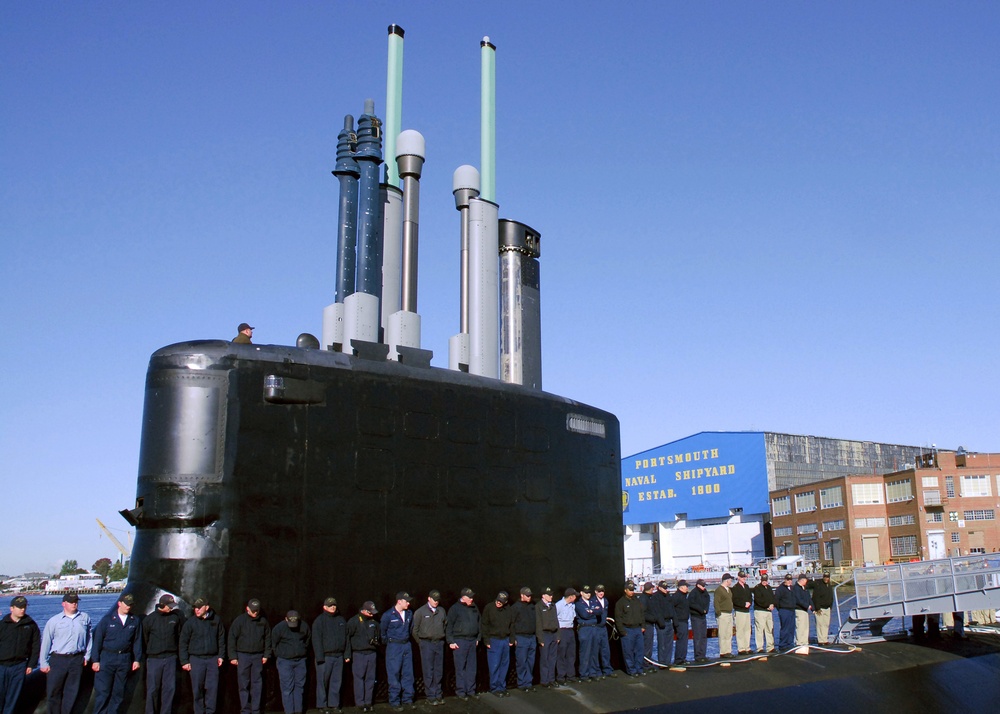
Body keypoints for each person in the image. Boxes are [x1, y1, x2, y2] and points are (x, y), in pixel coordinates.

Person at [38, 593, 92, 714]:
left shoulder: (84, 618)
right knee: (54, 691)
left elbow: (89, 638)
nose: (74, 604)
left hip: (77, 659)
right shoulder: (54, 621)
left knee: (71, 692)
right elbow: (46, 642)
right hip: (58, 659)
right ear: (64, 604)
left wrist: (86, 656)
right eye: (71, 601)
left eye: (76, 601)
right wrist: (43, 662)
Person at [91, 593, 144, 714]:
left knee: (118, 692)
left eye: (130, 605)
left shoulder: (134, 620)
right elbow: (98, 641)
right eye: (126, 604)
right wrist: (96, 660)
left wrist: (136, 659)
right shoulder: (107, 619)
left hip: (124, 658)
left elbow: (137, 641)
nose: (128, 607)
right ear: (119, 603)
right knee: (103, 692)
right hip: (107, 657)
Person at [180, 596, 226, 714]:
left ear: (207, 607)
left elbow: (221, 639)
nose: (197, 610)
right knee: (197, 689)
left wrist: (221, 655)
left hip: (212, 659)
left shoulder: (216, 620)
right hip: (196, 660)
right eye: (195, 608)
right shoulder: (190, 623)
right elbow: (183, 642)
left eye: (200, 608)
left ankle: (210, 712)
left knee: (212, 689)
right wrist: (185, 661)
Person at [228, 598, 272, 714]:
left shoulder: (263, 621)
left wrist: (266, 654)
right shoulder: (240, 621)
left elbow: (268, 638)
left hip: (258, 656)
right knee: (243, 684)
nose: (255, 612)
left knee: (257, 684)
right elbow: (232, 638)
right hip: (243, 656)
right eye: (253, 610)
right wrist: (232, 656)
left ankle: (256, 710)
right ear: (247, 609)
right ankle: (245, 710)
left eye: (257, 610)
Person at [143, 594, 185, 714]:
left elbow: (178, 635)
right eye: (169, 606)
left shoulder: (174, 618)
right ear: (162, 605)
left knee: (169, 689)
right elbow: (145, 639)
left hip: (170, 657)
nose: (171, 608)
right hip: (154, 658)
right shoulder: (150, 620)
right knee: (152, 689)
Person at [0, 595, 40, 714]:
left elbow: (36, 645)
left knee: (13, 697)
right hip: (1, 665)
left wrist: (31, 664)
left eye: (24, 607)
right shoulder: (2, 625)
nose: (22, 609)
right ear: (11, 608)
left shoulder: (31, 625)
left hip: (19, 666)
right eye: (19, 607)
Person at [380, 592, 415, 711]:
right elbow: (382, 633)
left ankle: (408, 699)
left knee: (408, 673)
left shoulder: (410, 614)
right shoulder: (388, 615)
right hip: (394, 646)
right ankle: (394, 701)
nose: (409, 603)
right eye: (406, 601)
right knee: (394, 673)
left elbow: (410, 629)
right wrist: (390, 642)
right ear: (399, 601)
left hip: (406, 645)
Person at [312, 597, 347, 714]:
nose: (333, 607)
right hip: (325, 657)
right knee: (323, 682)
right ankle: (322, 705)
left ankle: (334, 704)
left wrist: (346, 654)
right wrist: (319, 657)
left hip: (338, 656)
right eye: (330, 605)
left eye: (334, 605)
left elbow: (346, 638)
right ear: (324, 607)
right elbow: (316, 640)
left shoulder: (341, 620)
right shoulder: (319, 621)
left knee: (336, 682)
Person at [411, 590, 446, 706]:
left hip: (439, 643)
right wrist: (420, 642)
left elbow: (445, 625)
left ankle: (438, 694)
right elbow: (414, 630)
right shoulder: (420, 612)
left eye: (437, 600)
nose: (436, 602)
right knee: (428, 670)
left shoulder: (441, 611)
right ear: (429, 598)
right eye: (434, 599)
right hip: (426, 644)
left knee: (438, 670)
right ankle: (430, 695)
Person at [272, 611, 310, 714]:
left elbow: (307, 640)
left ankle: (298, 711)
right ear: (286, 619)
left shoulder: (304, 626)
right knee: (287, 688)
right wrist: (281, 655)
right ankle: (289, 712)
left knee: (299, 687)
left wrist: (302, 652)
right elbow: (274, 643)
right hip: (285, 661)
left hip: (300, 661)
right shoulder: (279, 628)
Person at [445, 588, 480, 701]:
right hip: (460, 641)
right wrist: (450, 641)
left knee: (472, 667)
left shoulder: (474, 607)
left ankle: (471, 690)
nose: (472, 599)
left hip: (472, 641)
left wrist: (478, 638)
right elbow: (449, 626)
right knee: (460, 668)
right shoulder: (455, 608)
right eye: (469, 597)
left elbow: (480, 623)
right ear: (463, 597)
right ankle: (461, 691)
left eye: (472, 597)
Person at [344, 601, 378, 713]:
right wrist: (347, 654)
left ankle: (368, 702)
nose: (372, 614)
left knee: (370, 679)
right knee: (359, 679)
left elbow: (378, 636)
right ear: (364, 610)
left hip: (372, 654)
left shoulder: (374, 622)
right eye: (370, 612)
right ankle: (360, 703)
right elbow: (347, 638)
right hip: (359, 654)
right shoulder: (354, 621)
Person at [481, 592, 514, 697]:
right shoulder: (489, 608)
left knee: (504, 665)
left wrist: (512, 639)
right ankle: (494, 687)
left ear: (506, 602)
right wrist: (486, 640)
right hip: (494, 640)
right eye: (498, 600)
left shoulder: (508, 609)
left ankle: (502, 687)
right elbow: (484, 624)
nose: (499, 603)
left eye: (501, 602)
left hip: (505, 639)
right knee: (494, 665)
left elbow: (512, 625)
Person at [613, 582, 645, 676]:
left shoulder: (637, 601)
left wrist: (643, 626)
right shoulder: (620, 603)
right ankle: (632, 670)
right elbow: (618, 618)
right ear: (625, 590)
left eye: (633, 590)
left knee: (639, 651)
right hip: (628, 630)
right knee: (628, 652)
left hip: (638, 629)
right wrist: (622, 631)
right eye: (630, 590)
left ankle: (639, 669)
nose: (632, 592)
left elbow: (642, 614)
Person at [510, 587, 536, 691]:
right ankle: (521, 683)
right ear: (522, 595)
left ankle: (528, 683)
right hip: (521, 637)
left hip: (532, 637)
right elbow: (511, 623)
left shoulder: (532, 606)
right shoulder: (515, 607)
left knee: (531, 662)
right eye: (527, 595)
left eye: (530, 595)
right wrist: (514, 638)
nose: (529, 597)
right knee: (521, 661)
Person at [574, 585, 601, 681]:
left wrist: (591, 611)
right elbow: (584, 614)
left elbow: (600, 610)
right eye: (586, 592)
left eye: (589, 592)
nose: (588, 594)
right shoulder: (579, 604)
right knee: (585, 652)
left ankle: (593, 672)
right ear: (581, 593)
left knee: (594, 651)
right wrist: (593, 611)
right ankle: (584, 674)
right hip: (585, 629)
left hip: (594, 628)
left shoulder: (593, 601)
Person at [534, 586, 559, 687]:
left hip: (553, 634)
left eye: (552, 594)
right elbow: (538, 623)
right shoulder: (538, 606)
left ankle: (551, 679)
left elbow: (556, 621)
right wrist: (540, 638)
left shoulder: (553, 605)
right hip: (545, 635)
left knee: (552, 658)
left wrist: (558, 635)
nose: (551, 596)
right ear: (543, 596)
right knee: (545, 658)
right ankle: (544, 680)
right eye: (549, 595)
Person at [554, 588, 578, 684]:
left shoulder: (572, 605)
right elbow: (554, 619)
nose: (576, 598)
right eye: (575, 596)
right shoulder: (559, 605)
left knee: (571, 654)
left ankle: (571, 675)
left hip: (570, 630)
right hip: (562, 630)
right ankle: (561, 677)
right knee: (561, 655)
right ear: (571, 596)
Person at [592, 585, 617, 678]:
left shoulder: (605, 601)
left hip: (603, 628)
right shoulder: (592, 601)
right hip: (596, 628)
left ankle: (607, 670)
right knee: (595, 650)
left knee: (605, 650)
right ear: (595, 592)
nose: (601, 593)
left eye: (602, 591)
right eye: (599, 591)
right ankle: (597, 671)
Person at [751, 574, 776, 653]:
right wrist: (767, 606)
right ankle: (760, 648)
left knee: (769, 629)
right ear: (761, 580)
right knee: (760, 629)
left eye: (766, 580)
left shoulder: (769, 588)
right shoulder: (757, 588)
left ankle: (770, 647)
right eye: (763, 580)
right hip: (760, 611)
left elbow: (772, 598)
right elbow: (758, 600)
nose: (764, 582)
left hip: (768, 611)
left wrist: (772, 605)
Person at [652, 581, 675, 668]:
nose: (666, 589)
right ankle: (662, 662)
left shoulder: (668, 596)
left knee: (669, 643)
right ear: (659, 588)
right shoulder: (655, 597)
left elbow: (672, 609)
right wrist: (660, 622)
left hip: (669, 622)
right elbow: (656, 611)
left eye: (666, 588)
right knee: (662, 644)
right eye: (664, 588)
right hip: (662, 623)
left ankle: (668, 661)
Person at [808, 572, 834, 645]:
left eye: (827, 577)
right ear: (823, 577)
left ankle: (825, 639)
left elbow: (831, 597)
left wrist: (831, 606)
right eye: (825, 577)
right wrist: (817, 608)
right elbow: (816, 598)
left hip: (827, 608)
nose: (826, 578)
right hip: (820, 609)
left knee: (826, 624)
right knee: (820, 624)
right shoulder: (818, 585)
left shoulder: (829, 586)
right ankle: (821, 640)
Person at [687, 579, 710, 662]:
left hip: (703, 616)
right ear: (698, 585)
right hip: (696, 617)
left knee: (703, 636)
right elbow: (691, 604)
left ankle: (703, 654)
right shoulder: (693, 593)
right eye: (702, 586)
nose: (704, 587)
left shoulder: (705, 593)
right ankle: (698, 656)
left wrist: (705, 610)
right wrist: (701, 610)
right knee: (698, 636)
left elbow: (707, 600)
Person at [670, 580, 691, 665]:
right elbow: (672, 608)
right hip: (679, 621)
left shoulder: (684, 596)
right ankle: (679, 659)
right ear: (681, 587)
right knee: (681, 640)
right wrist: (675, 621)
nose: (687, 588)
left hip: (685, 620)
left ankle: (683, 658)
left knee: (684, 640)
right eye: (686, 586)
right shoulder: (677, 596)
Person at [714, 574, 735, 658]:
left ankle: (728, 651)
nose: (731, 582)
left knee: (729, 633)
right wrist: (719, 613)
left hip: (729, 613)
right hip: (723, 614)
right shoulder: (719, 590)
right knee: (723, 633)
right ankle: (723, 652)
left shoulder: (729, 590)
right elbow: (716, 602)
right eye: (730, 580)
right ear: (726, 580)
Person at [732, 571, 753, 654]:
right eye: (742, 577)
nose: (744, 578)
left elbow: (750, 597)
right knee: (740, 630)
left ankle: (747, 647)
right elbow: (735, 600)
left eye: (744, 577)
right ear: (738, 578)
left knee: (747, 630)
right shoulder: (735, 588)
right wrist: (743, 604)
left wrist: (749, 603)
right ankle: (741, 649)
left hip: (747, 611)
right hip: (739, 611)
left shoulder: (747, 587)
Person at [638, 582, 657, 671]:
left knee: (649, 644)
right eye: (652, 588)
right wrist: (653, 618)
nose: (653, 590)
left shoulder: (649, 598)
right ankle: (645, 664)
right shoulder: (644, 599)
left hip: (650, 624)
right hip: (647, 624)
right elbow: (643, 613)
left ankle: (648, 661)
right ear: (650, 589)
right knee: (647, 645)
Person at [775, 574, 796, 651]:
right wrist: (780, 609)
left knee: (791, 628)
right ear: (785, 580)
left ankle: (790, 643)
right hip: (784, 610)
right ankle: (783, 644)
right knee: (785, 628)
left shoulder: (792, 588)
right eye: (788, 580)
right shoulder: (780, 589)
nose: (789, 581)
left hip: (792, 610)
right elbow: (776, 600)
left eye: (790, 580)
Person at [793, 574, 813, 647]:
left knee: (805, 627)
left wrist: (812, 608)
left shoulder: (804, 588)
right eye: (805, 580)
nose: (806, 582)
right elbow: (798, 600)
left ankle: (805, 642)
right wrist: (807, 606)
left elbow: (808, 598)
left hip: (805, 610)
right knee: (800, 626)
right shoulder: (796, 588)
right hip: (799, 609)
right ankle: (799, 642)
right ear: (802, 580)